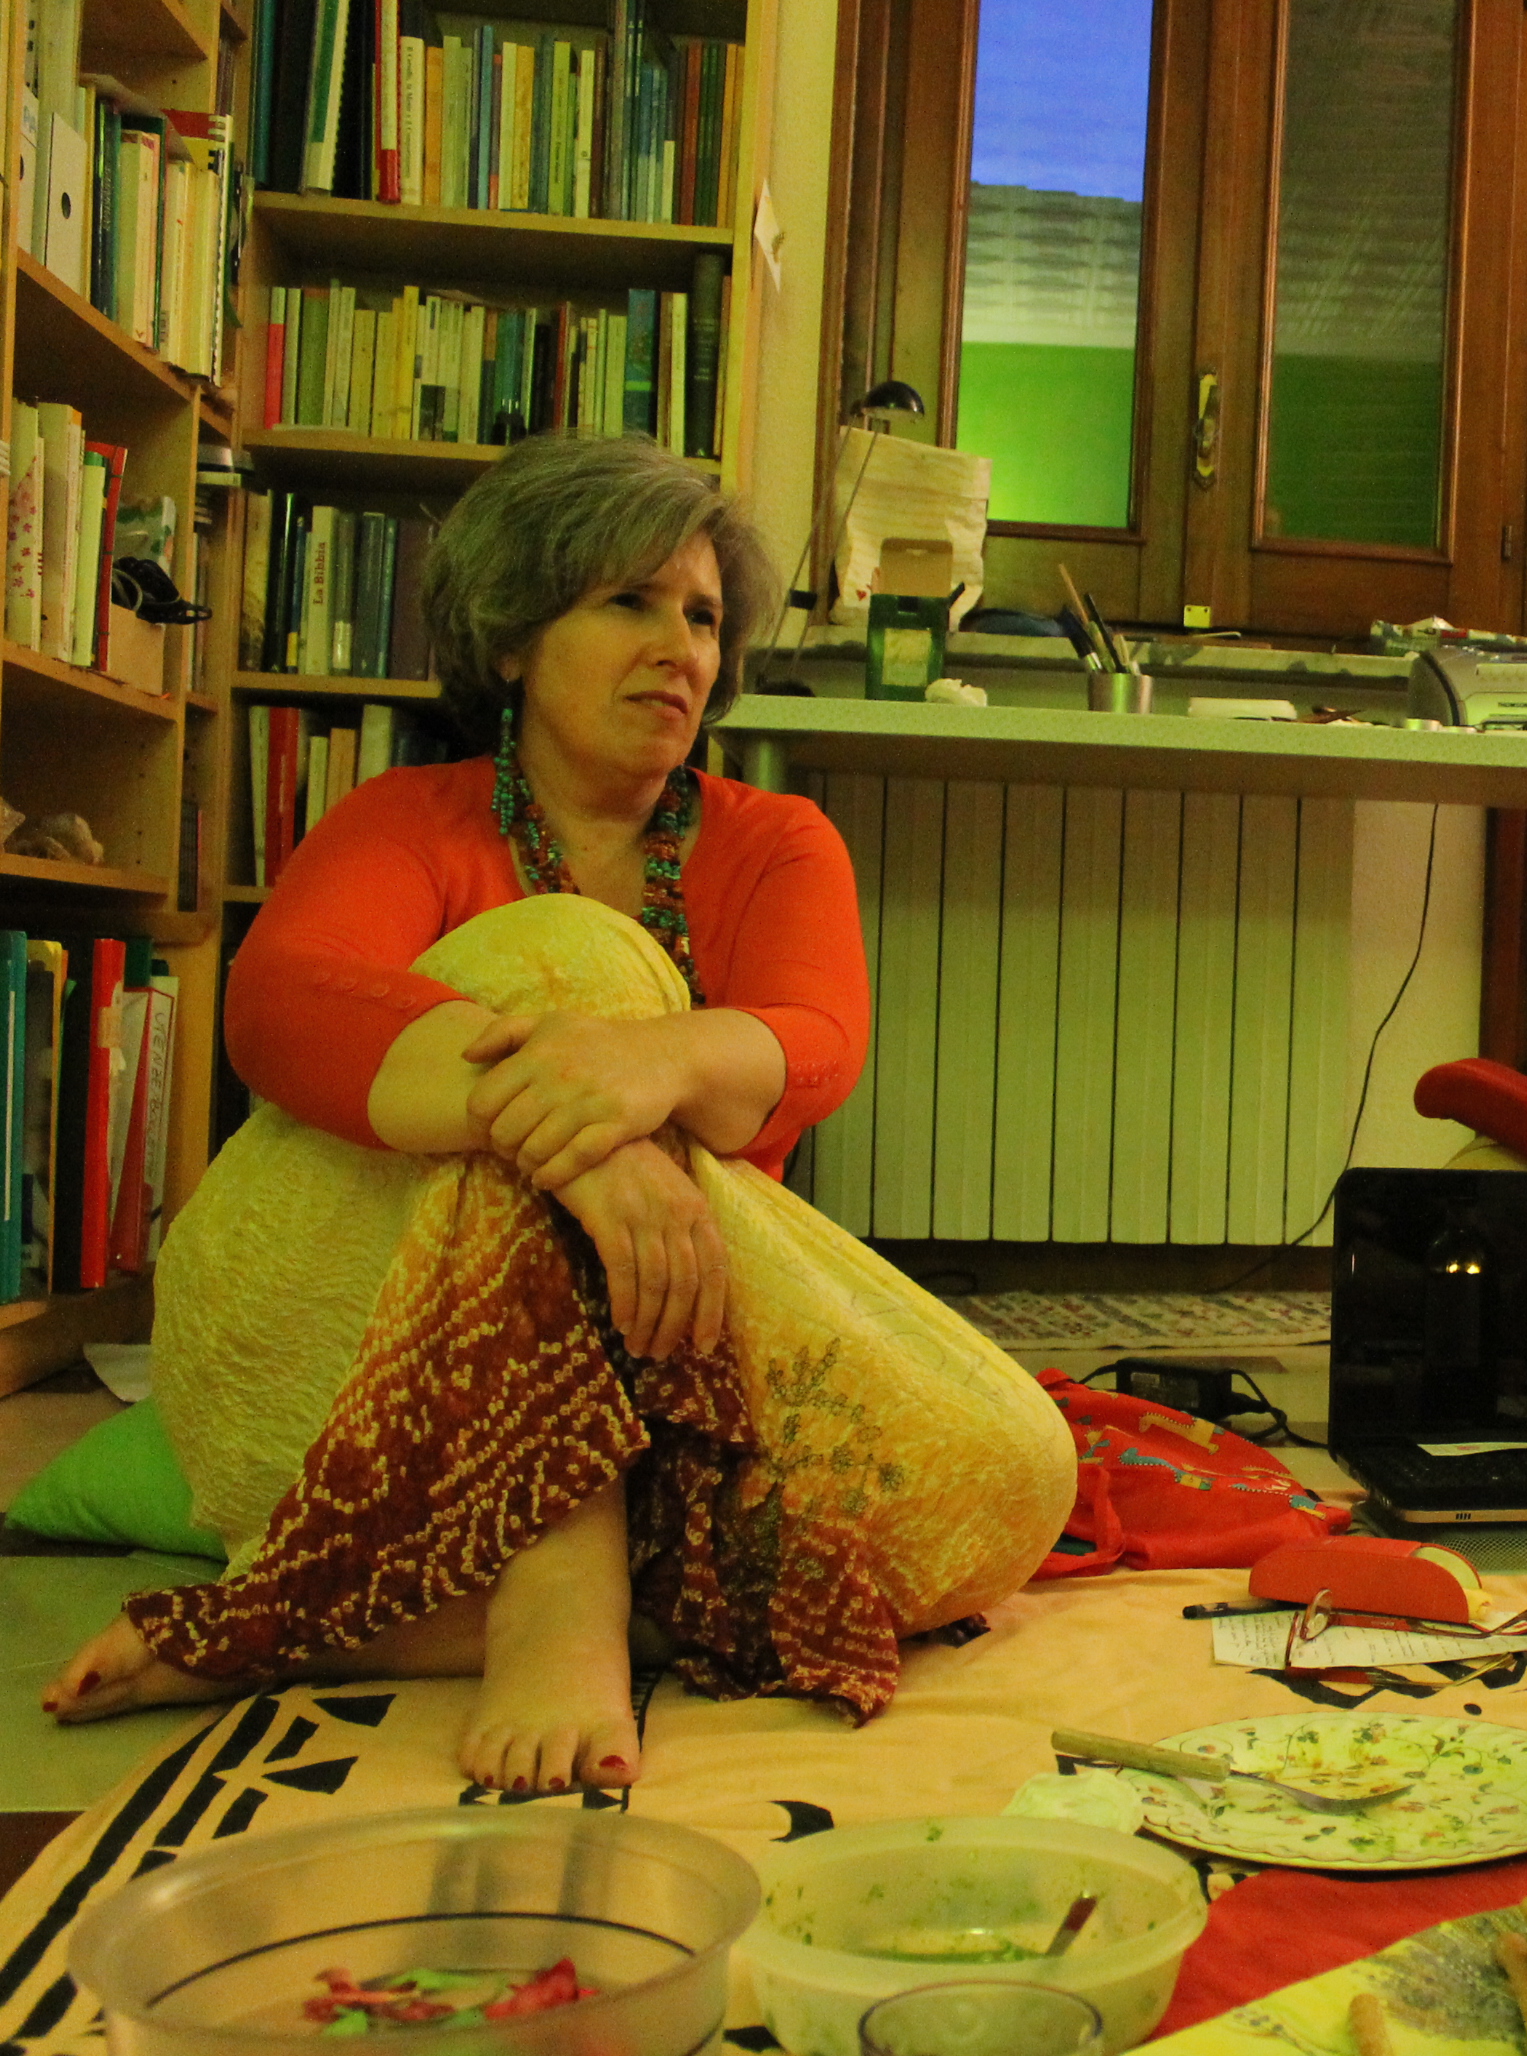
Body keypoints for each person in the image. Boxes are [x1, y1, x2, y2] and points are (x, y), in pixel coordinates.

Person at [40, 434, 1076, 1792]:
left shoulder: (776, 842)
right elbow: (278, 1007)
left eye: (701, 616)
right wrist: (596, 1154)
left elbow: (817, 1046)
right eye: (629, 602)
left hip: (674, 1376)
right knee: (575, 957)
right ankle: (559, 1585)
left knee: (1016, 1477)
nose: (681, 648)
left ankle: (348, 1618)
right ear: (515, 639)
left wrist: (644, 1076)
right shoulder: (406, 818)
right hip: (342, 1364)